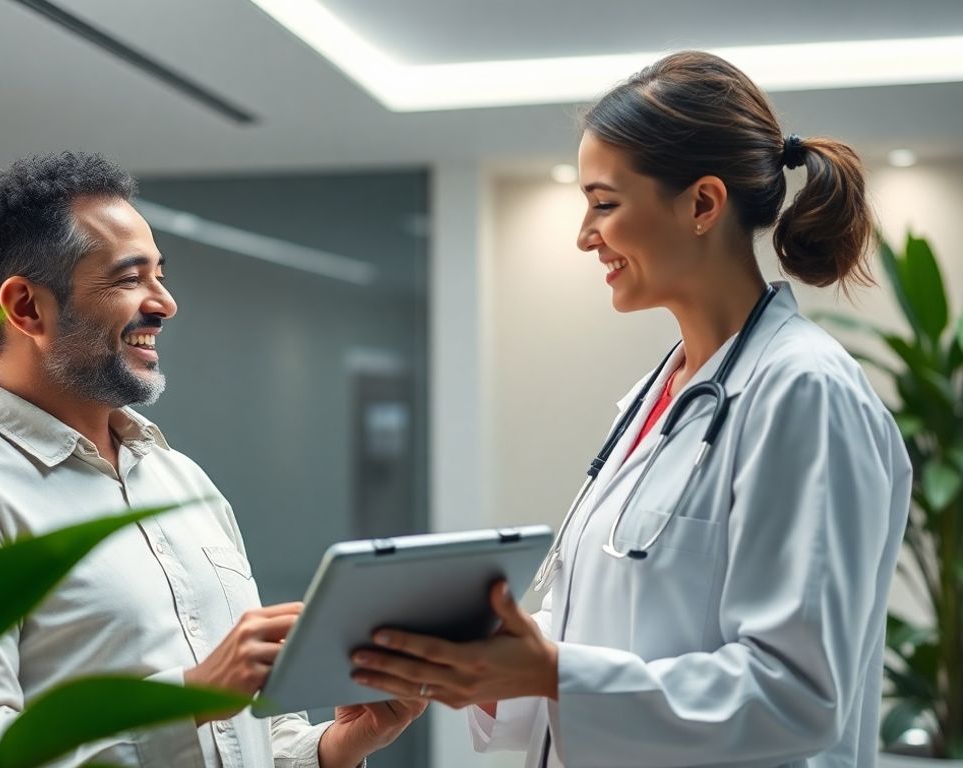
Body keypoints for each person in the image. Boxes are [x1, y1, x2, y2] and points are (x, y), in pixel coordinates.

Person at [349, 51, 911, 767]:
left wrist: (550, 671)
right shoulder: (659, 395)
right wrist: (484, 670)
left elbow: (798, 694)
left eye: (605, 204)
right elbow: (620, 634)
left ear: (704, 204)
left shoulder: (805, 390)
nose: (586, 235)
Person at [0, 152, 424, 768]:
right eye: (130, 279)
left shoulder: (180, 480)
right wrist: (183, 701)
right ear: (26, 308)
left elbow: (244, 734)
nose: (165, 303)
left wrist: (331, 748)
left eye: (160, 275)